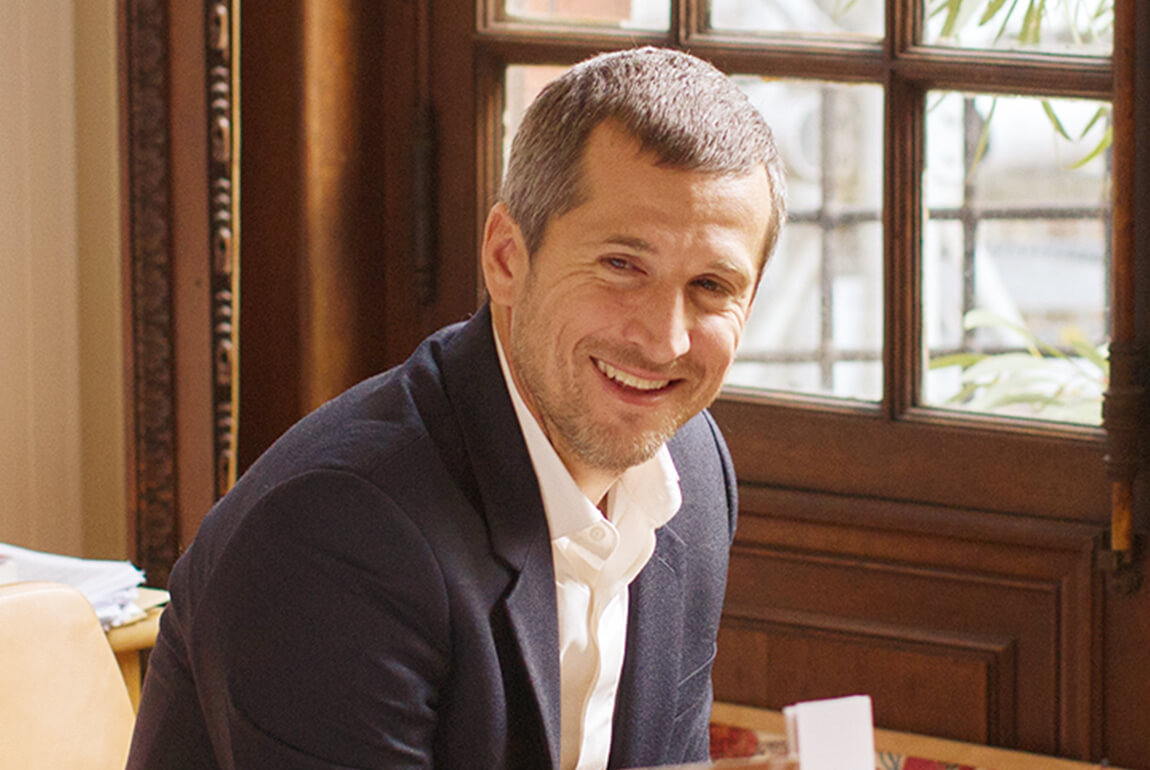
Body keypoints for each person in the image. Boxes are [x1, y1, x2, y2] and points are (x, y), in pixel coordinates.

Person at [127, 46, 786, 770]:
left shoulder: (691, 470)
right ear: (506, 258)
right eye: (621, 265)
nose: (664, 341)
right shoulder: (334, 535)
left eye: (711, 286)